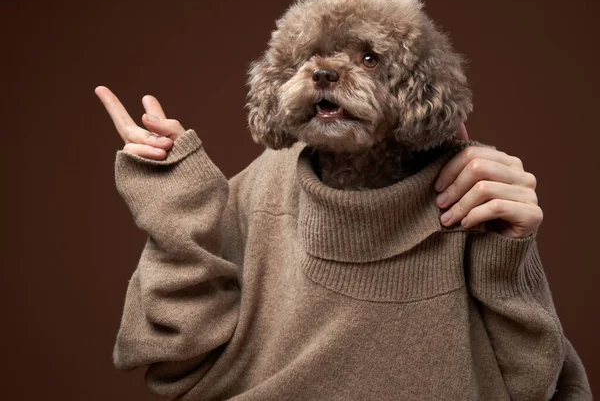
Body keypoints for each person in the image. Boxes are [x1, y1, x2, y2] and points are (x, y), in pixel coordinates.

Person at [95, 85, 591, 400]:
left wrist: (512, 252)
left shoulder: (470, 196)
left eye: (370, 57)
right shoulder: (262, 190)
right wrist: (180, 206)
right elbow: (175, 366)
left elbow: (537, 386)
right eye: (310, 59)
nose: (330, 74)